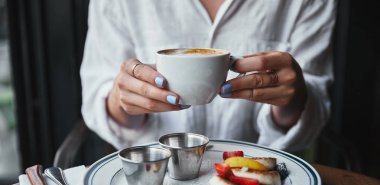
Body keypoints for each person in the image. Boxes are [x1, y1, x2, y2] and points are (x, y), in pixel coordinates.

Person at [80, 0, 337, 152]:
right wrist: (122, 101)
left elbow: (314, 109)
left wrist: (293, 102)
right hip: (154, 178)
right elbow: (96, 96)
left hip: (256, 175)